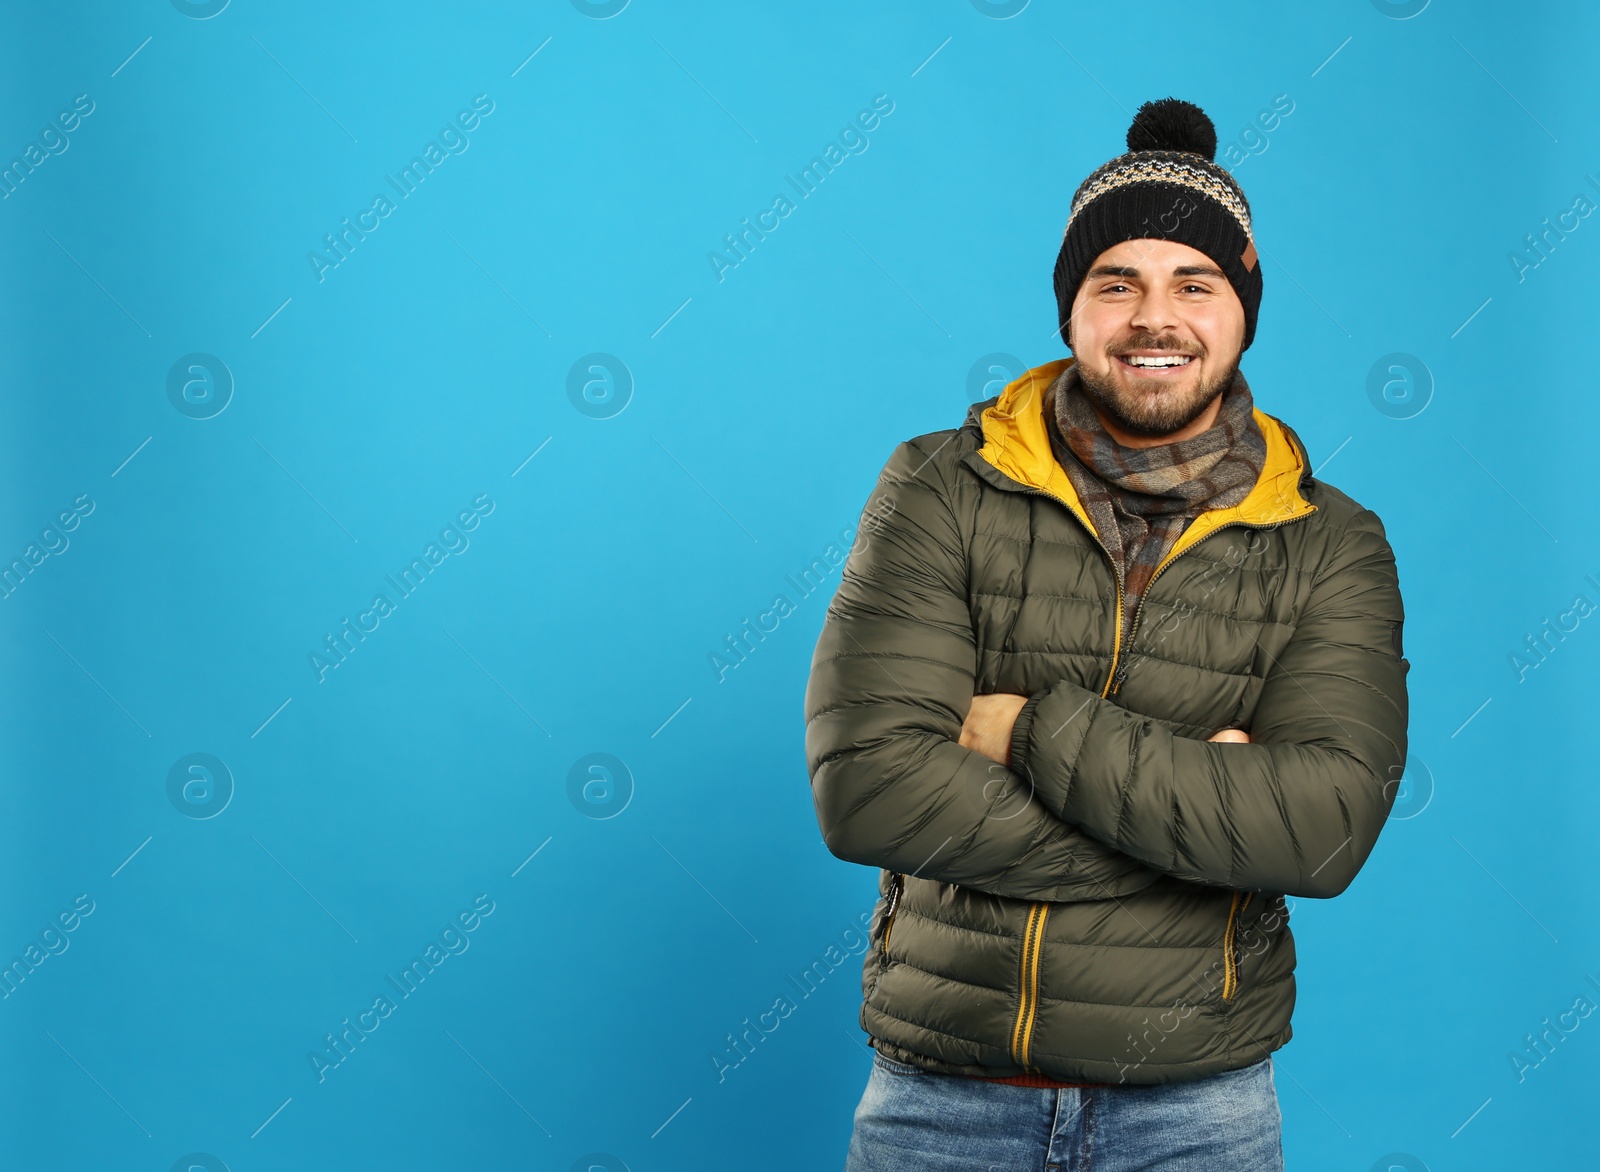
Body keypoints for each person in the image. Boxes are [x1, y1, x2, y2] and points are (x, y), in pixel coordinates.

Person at [803, 97, 1410, 1170]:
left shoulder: (1329, 542)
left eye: (1194, 283)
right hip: (939, 1101)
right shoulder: (938, 486)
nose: (1153, 316)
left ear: (1241, 309)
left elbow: (1319, 831)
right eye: (1114, 281)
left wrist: (1031, 731)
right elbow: (869, 791)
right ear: (1070, 309)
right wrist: (1201, 829)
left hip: (1198, 1111)